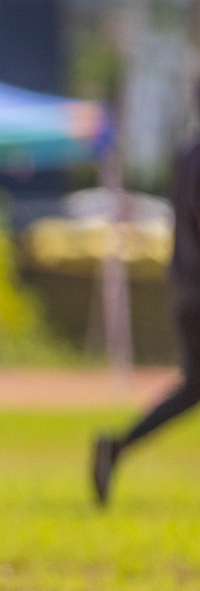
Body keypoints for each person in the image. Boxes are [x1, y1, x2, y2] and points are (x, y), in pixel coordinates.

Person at [92, 138, 200, 506]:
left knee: (194, 388)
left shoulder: (186, 154)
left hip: (185, 288)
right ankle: (117, 447)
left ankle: (117, 447)